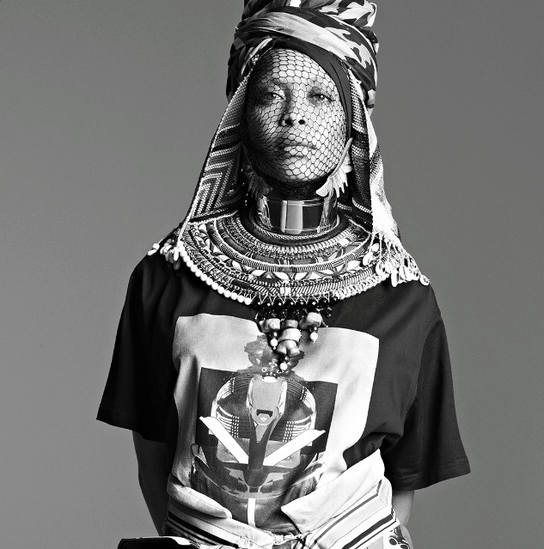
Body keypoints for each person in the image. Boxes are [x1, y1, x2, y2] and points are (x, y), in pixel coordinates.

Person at [98, 2, 470, 548]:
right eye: (271, 95)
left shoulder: (403, 297)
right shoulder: (166, 277)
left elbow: (401, 483)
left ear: (354, 118)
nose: (294, 116)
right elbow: (153, 454)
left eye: (320, 96)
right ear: (239, 110)